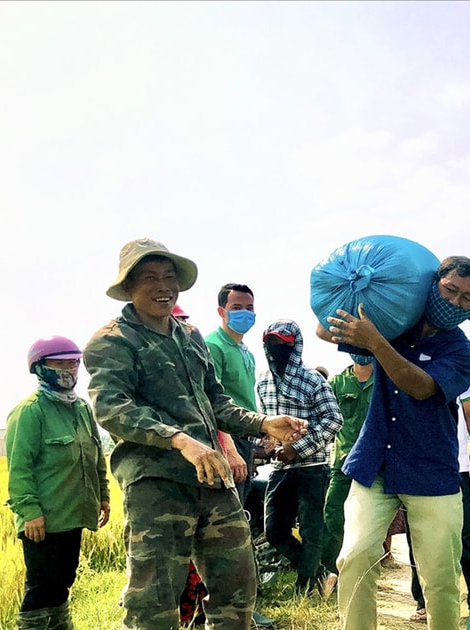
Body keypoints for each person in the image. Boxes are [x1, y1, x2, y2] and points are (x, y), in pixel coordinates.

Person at [83, 237, 308, 629]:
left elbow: (215, 400)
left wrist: (262, 423)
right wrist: (179, 439)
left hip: (213, 479)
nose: (163, 286)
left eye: (169, 276)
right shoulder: (112, 341)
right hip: (157, 482)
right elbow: (112, 408)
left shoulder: (190, 337)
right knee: (154, 601)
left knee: (238, 585)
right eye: (150, 277)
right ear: (129, 285)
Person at [326, 255, 470, 630]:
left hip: (432, 470)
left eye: (467, 299)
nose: (455, 302)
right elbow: (326, 329)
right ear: (432, 286)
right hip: (375, 464)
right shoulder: (395, 323)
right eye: (450, 290)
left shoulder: (461, 351)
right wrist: (357, 290)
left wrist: (378, 342)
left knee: (440, 578)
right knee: (353, 558)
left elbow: (420, 387)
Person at [5, 336, 111, 630]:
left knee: (63, 581)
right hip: (43, 520)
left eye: (73, 362)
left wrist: (103, 496)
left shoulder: (81, 408)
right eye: (59, 363)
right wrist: (30, 513)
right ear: (40, 368)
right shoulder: (30, 411)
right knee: (40, 587)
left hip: (74, 515)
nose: (68, 369)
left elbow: (95, 456)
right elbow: (19, 469)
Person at [201, 282, 276, 628]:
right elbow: (213, 403)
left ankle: (240, 609)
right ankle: (220, 609)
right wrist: (229, 448)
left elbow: (245, 402)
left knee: (241, 521)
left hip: (244, 440)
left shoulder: (244, 351)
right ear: (221, 311)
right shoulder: (213, 346)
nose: (245, 313)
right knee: (224, 529)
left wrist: (262, 434)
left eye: (249, 307)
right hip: (224, 443)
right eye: (237, 307)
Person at [258, 319, 344, 597]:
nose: (276, 350)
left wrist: (299, 447)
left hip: (312, 468)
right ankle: (320, 574)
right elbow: (263, 423)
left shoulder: (313, 380)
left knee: (311, 530)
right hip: (279, 469)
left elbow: (333, 420)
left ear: (295, 346)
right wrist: (270, 445)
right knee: (273, 531)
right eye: (271, 344)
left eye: (283, 345)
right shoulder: (262, 382)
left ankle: (306, 589)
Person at [408, 378, 470, 622]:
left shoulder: (458, 363)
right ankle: (423, 601)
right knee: (418, 534)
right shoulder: (404, 358)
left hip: (456, 465)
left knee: (465, 533)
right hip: (415, 464)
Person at [322, 354, 376, 577]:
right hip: (343, 461)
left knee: (369, 517)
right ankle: (336, 566)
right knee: (332, 512)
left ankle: (365, 566)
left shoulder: (385, 380)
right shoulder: (336, 382)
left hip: (374, 461)